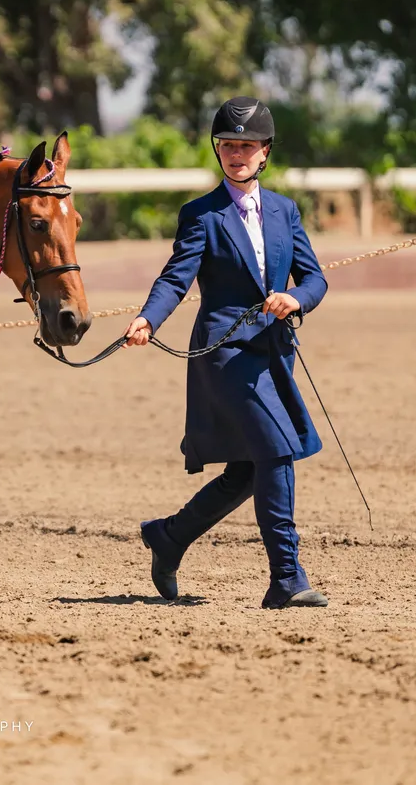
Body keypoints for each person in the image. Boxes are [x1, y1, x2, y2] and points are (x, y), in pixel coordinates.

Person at [124, 96, 329, 609]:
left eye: (247, 145)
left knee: (249, 469)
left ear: (265, 152)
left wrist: (295, 298)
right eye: (228, 145)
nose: (237, 153)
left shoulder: (284, 210)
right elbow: (176, 277)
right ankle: (287, 578)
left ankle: (169, 536)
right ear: (219, 151)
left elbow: (315, 277)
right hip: (224, 353)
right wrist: (149, 318)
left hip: (274, 352)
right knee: (276, 449)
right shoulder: (201, 214)